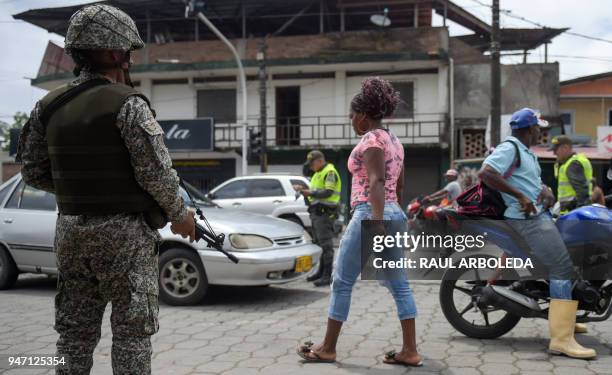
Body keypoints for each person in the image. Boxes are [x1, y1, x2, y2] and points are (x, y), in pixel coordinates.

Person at [16, 4, 196, 374]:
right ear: (115, 53)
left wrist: (82, 189)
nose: (129, 60)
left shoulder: (46, 106)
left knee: (73, 337)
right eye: (127, 52)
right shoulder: (128, 104)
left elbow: (32, 172)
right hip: (124, 237)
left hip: (69, 233)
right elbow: (157, 175)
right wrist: (181, 217)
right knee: (132, 335)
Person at [296, 77, 421, 366]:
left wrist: (376, 221)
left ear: (363, 116)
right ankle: (410, 351)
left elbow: (376, 179)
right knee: (399, 284)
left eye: (352, 116)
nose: (352, 121)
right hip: (394, 212)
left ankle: (328, 347)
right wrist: (390, 215)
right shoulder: (395, 141)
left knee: (342, 281)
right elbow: (399, 185)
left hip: (370, 213)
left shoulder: (371, 139)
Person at [478, 108, 595, 359]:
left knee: (568, 260)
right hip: (526, 220)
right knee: (561, 268)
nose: (540, 133)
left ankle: (565, 319)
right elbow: (486, 172)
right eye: (538, 129)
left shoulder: (526, 153)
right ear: (529, 129)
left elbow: (528, 182)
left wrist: (544, 191)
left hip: (539, 214)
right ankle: (562, 339)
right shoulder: (510, 147)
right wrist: (520, 196)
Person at [294, 150, 341, 287]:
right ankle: (320, 273)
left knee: (326, 245)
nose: (311, 167)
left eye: (312, 163)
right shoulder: (318, 174)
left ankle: (327, 276)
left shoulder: (329, 172)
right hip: (317, 213)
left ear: (320, 160)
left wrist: (310, 192)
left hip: (325, 214)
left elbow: (328, 192)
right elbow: (315, 192)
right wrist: (303, 189)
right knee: (320, 244)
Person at [550, 135, 594, 214]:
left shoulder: (573, 164)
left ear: (566, 147)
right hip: (571, 211)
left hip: (572, 212)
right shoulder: (575, 161)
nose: (554, 153)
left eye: (556, 150)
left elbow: (582, 191)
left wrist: (579, 213)